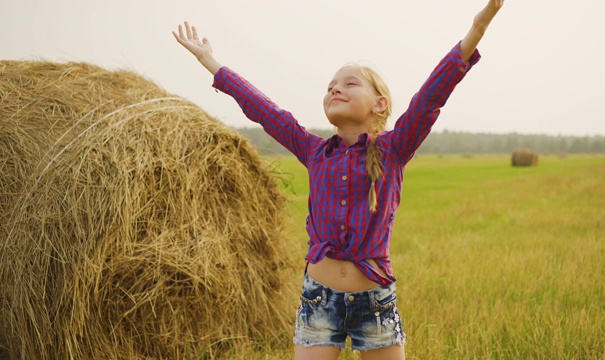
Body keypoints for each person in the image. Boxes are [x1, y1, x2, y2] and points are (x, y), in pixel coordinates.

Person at [173, 1, 504, 359]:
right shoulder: (314, 151)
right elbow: (263, 110)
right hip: (319, 300)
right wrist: (210, 61)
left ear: (379, 104)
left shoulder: (394, 149)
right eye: (331, 86)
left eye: (349, 84)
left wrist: (476, 30)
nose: (335, 89)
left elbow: (431, 97)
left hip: (375, 303)